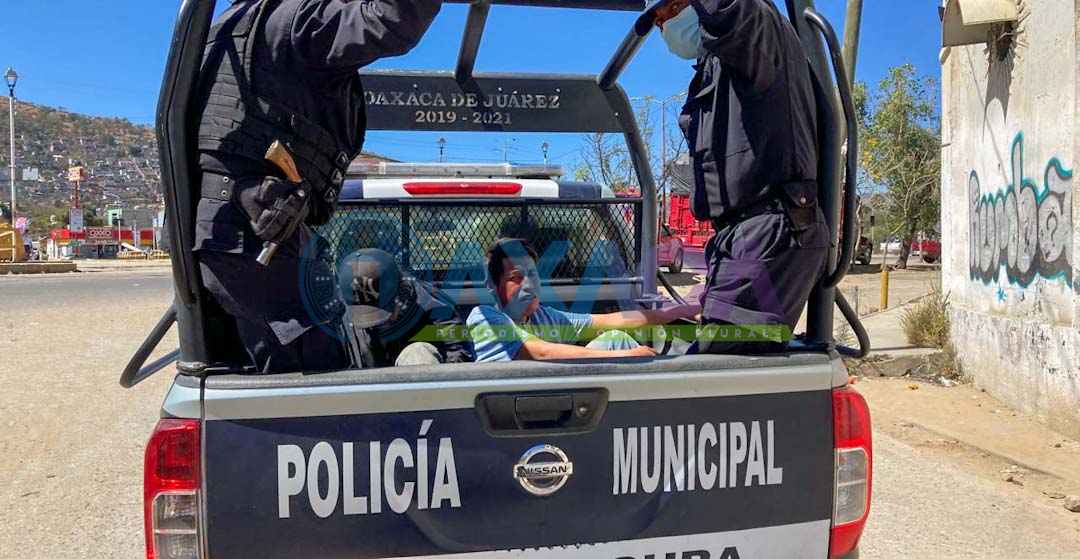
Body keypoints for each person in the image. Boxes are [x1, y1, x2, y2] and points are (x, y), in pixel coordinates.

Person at [192, 0, 443, 373]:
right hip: (255, 241)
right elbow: (393, 18)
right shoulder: (297, 20)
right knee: (319, 380)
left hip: (249, 235)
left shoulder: (238, 27)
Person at [652, 0, 829, 353]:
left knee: (712, 379)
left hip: (769, 230)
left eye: (670, 11)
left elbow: (730, 12)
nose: (665, 26)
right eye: (658, 22)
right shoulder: (719, 63)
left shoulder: (756, 29)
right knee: (712, 370)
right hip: (745, 236)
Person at [467, 239, 701, 363]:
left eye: (533, 275)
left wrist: (672, 312)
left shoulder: (543, 317)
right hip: (510, 418)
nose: (529, 285)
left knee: (615, 338)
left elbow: (610, 320)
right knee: (619, 348)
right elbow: (540, 352)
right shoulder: (485, 318)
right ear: (493, 286)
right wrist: (623, 357)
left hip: (554, 400)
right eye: (516, 278)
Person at [343, 249, 473, 368]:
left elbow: (459, 359)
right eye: (365, 313)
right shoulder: (343, 316)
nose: (378, 323)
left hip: (426, 385)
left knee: (416, 353)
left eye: (382, 310)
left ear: (401, 293)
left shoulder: (437, 311)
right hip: (368, 387)